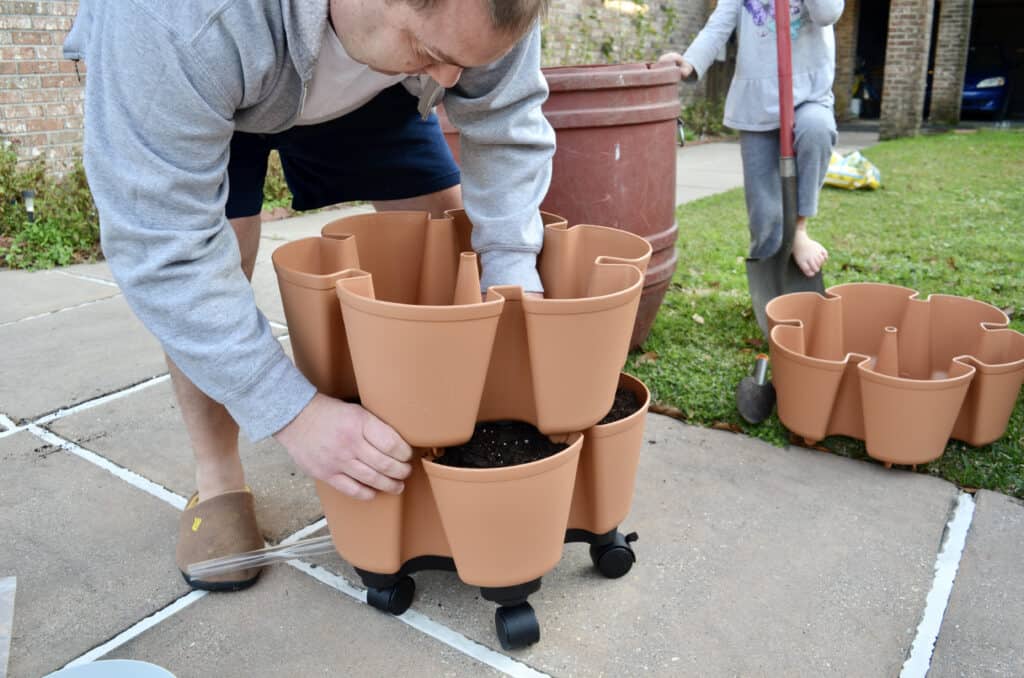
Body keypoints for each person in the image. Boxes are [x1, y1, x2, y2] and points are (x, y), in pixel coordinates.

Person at [63, 0, 555, 590]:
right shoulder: (172, 20)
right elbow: (168, 253)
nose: (452, 82)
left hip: (377, 89)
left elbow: (502, 118)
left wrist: (510, 262)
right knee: (222, 256)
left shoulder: (473, 23)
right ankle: (219, 481)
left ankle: (445, 445)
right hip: (219, 78)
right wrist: (292, 413)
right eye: (431, 52)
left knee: (445, 243)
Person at [659, 0, 844, 277]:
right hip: (756, 105)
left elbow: (827, 13)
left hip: (809, 95)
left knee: (817, 130)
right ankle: (770, 282)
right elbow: (719, 25)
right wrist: (690, 62)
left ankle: (799, 229)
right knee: (764, 214)